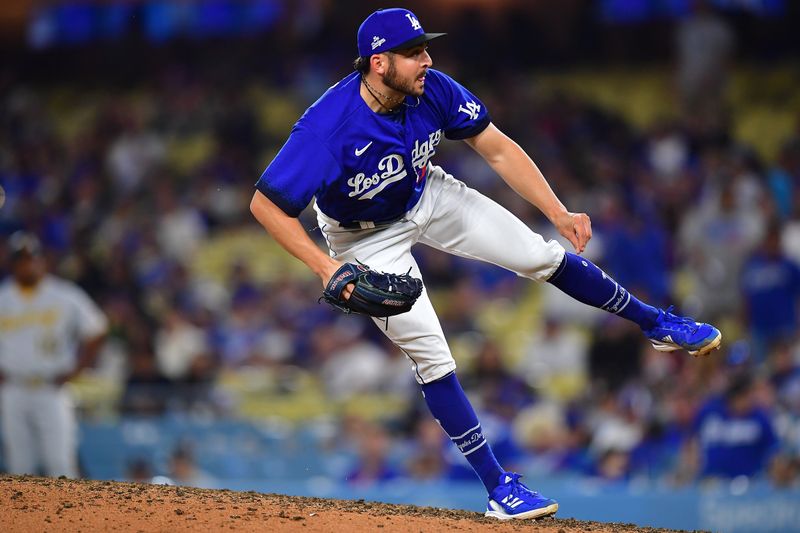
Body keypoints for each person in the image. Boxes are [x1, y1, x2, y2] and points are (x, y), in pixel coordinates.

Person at [249, 8, 722, 520]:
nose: (426, 60)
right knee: (431, 354)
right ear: (379, 63)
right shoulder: (328, 127)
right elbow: (265, 204)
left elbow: (495, 147)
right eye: (413, 53)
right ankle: (499, 488)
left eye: (425, 49)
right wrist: (325, 268)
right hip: (363, 238)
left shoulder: (432, 88)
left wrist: (557, 211)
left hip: (425, 193)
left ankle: (658, 323)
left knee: (540, 254)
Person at [0, 232, 108, 478]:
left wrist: (78, 368)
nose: (27, 264)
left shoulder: (63, 294)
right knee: (18, 466)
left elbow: (98, 329)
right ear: (13, 264)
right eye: (21, 260)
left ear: (42, 261)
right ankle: (22, 518)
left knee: (60, 464)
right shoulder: (3, 296)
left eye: (31, 258)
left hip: (52, 386)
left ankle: (67, 517)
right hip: (13, 387)